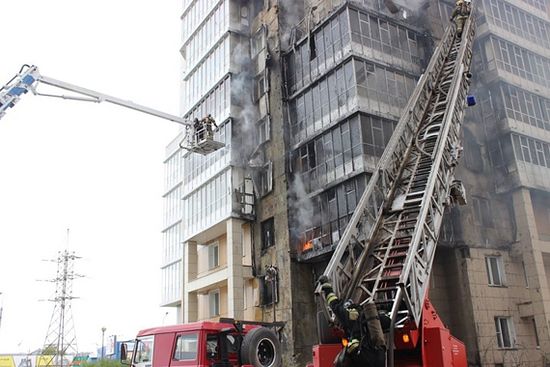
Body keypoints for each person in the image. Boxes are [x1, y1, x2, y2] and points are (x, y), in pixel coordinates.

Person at [318, 275, 386, 367]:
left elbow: (334, 304)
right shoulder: (369, 317)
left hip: (362, 356)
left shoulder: (348, 315)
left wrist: (326, 286)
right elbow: (387, 322)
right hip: (379, 356)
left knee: (341, 360)